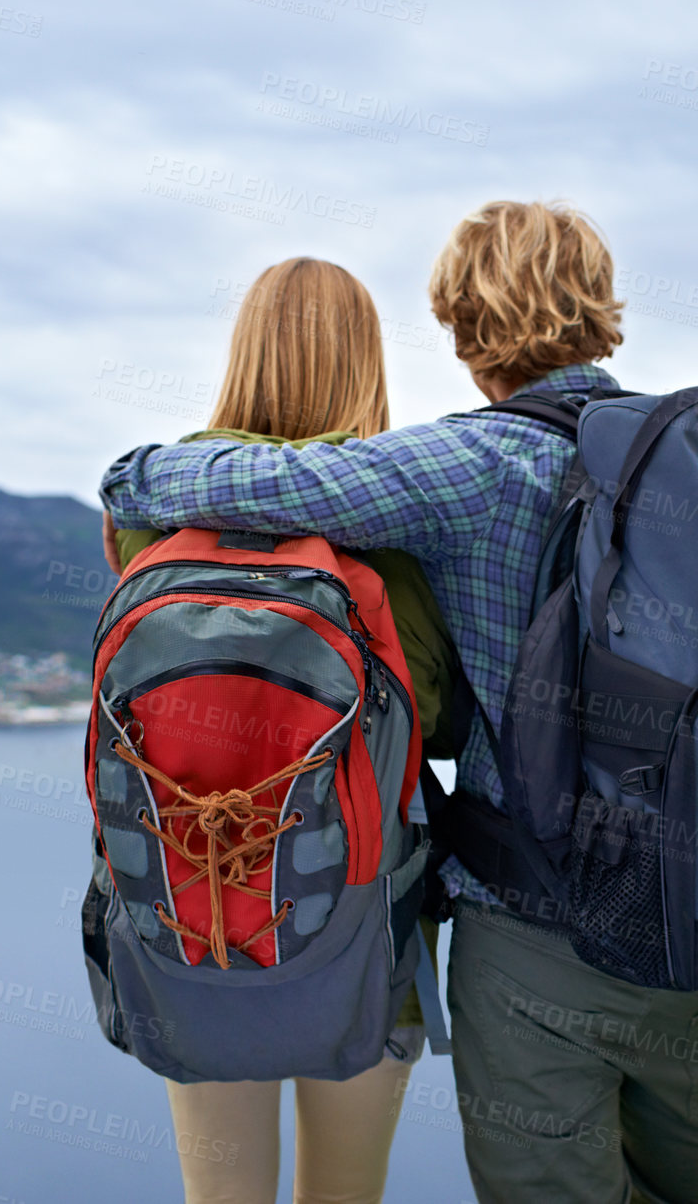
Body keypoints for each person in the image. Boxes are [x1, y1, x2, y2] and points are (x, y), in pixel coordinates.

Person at [101, 201, 698, 1204]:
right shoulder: (694, 457)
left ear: (457, 325)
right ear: (604, 307)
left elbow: (282, 496)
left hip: (253, 916)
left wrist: (133, 471)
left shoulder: (448, 468)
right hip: (674, 913)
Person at [101, 256, 458, 1204]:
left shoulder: (152, 506)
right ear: (367, 365)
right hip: (364, 920)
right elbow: (437, 718)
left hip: (189, 920)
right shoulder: (391, 525)